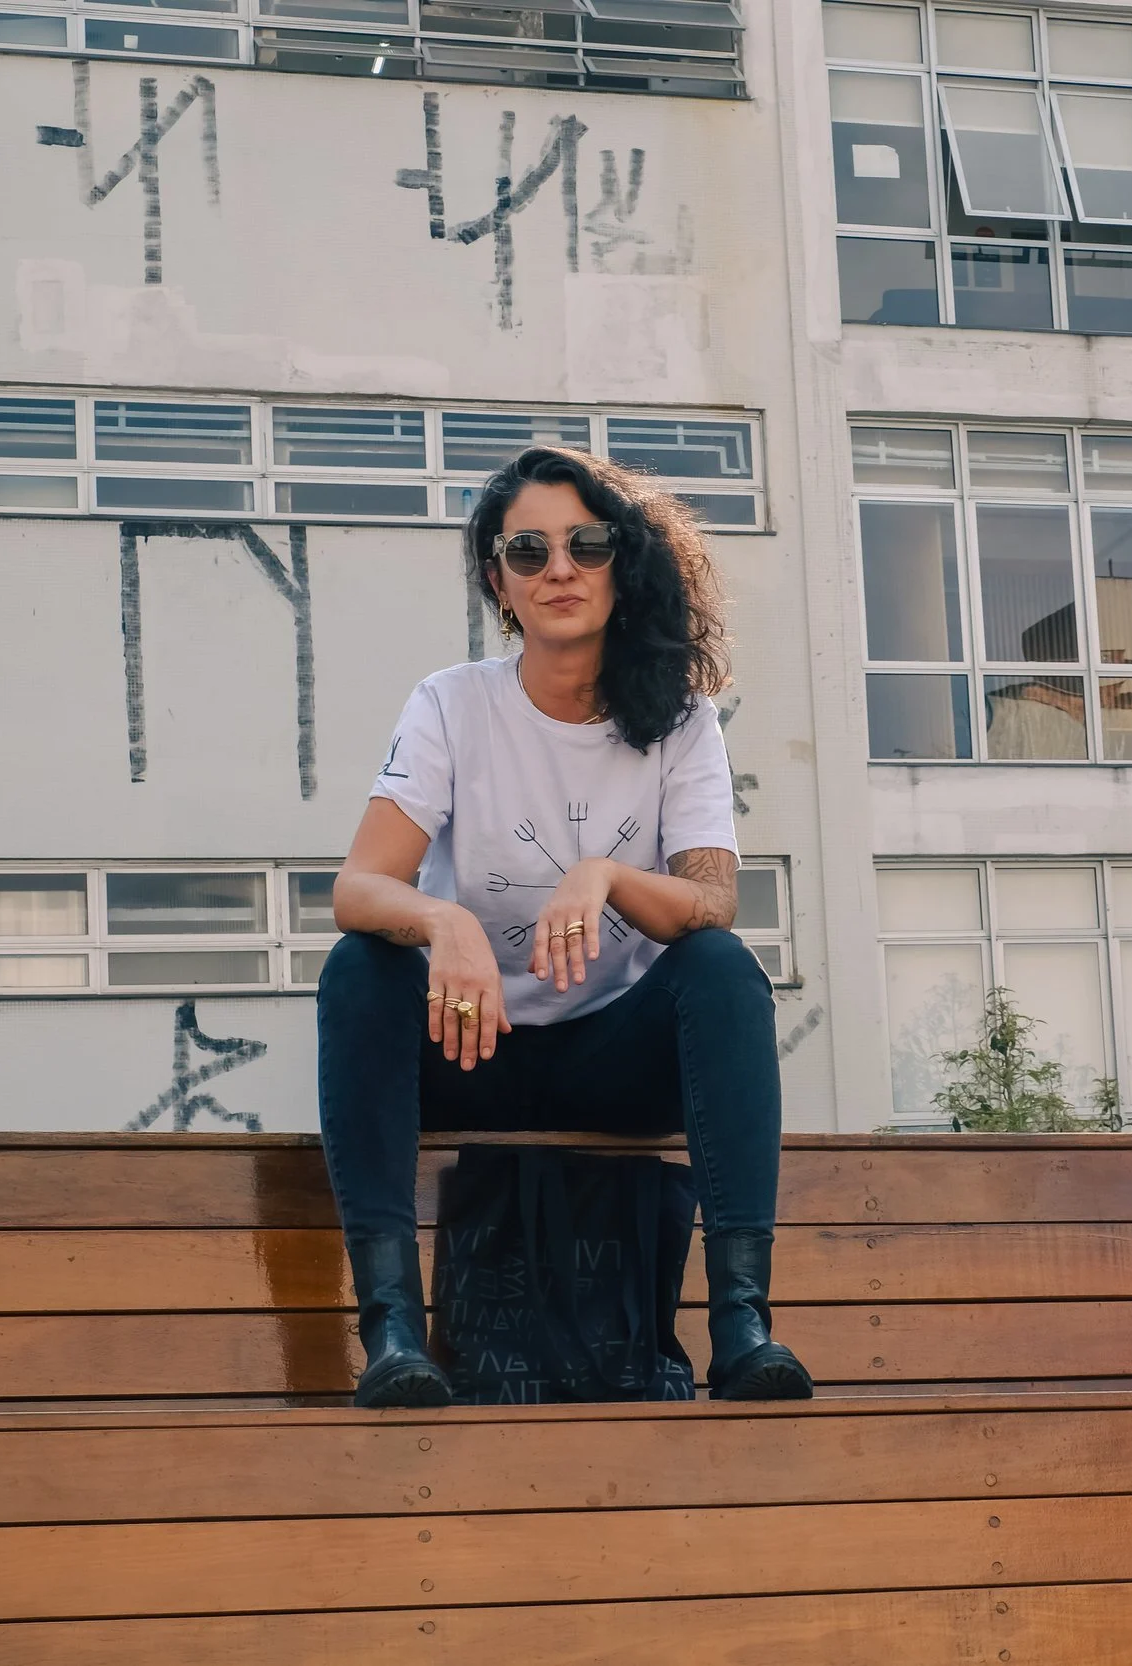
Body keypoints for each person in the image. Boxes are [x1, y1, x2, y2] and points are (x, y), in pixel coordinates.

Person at [316, 445, 811, 1407]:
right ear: (499, 582)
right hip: (471, 1044)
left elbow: (711, 902)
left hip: (612, 1064)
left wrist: (605, 877)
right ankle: (391, 1337)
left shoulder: (678, 721)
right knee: (358, 967)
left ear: (623, 562)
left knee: (719, 968)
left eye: (586, 543)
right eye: (529, 550)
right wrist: (441, 921)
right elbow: (357, 886)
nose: (560, 569)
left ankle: (743, 1327)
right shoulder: (453, 704)